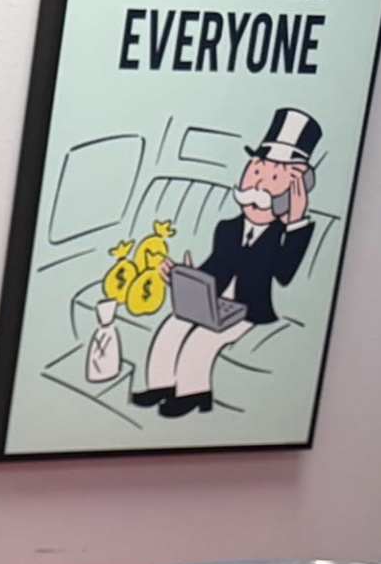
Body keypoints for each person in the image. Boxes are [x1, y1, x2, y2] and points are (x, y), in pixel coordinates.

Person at [133, 106, 321, 418]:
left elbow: (285, 275)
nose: (258, 185)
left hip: (249, 310)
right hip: (214, 301)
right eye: (256, 172)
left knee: (202, 342)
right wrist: (184, 276)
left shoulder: (282, 236)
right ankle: (160, 386)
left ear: (291, 194)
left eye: (274, 178)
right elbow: (214, 268)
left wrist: (297, 221)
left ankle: (195, 394)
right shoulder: (228, 228)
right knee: (172, 325)